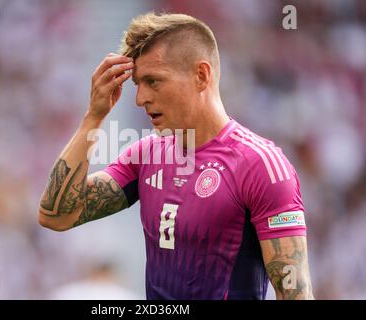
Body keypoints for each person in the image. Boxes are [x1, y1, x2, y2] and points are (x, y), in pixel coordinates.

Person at [38, 12, 314, 300]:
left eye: (153, 82)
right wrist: (93, 117)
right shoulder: (146, 155)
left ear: (201, 75)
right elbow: (56, 215)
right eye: (138, 84)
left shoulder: (260, 166)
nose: (140, 98)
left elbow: (296, 295)